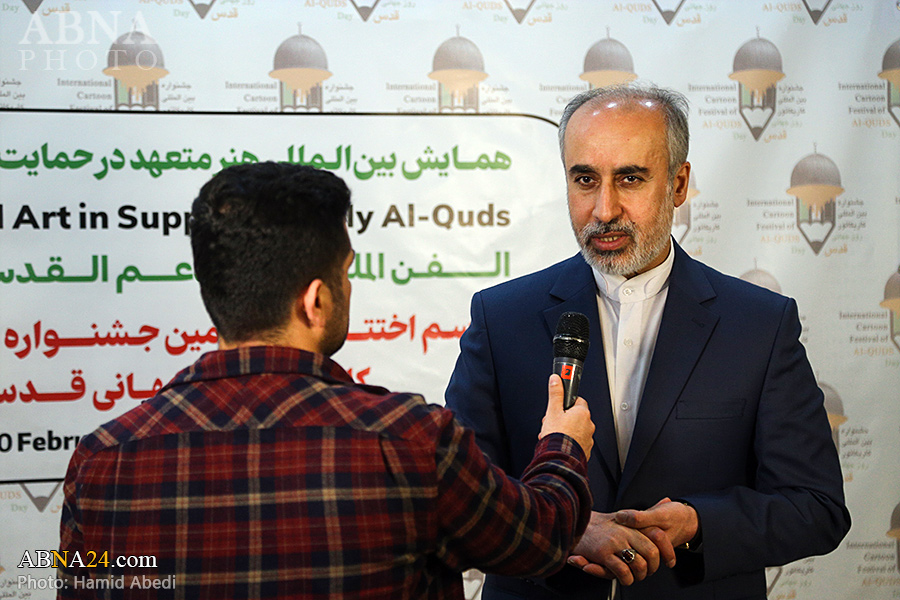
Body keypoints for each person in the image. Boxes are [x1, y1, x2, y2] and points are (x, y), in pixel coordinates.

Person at [57, 162, 596, 599]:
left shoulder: (101, 460)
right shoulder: (412, 442)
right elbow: (540, 537)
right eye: (346, 272)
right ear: (315, 300)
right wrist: (562, 444)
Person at [445, 83, 851, 600]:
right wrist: (561, 529)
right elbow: (455, 499)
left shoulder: (760, 325)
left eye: (630, 178)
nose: (604, 209)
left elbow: (815, 507)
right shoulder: (501, 317)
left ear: (678, 184)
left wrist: (698, 524)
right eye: (585, 179)